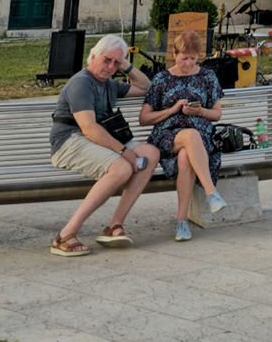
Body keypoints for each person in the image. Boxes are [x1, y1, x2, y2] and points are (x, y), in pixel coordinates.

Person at [48, 35, 160, 257]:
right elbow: (89, 128)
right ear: (93, 56)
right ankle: (65, 235)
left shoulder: (109, 84)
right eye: (107, 60)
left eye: (115, 63)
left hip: (98, 139)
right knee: (122, 167)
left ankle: (113, 226)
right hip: (69, 141)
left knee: (150, 154)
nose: (110, 67)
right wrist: (124, 152)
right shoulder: (82, 82)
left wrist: (125, 64)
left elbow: (146, 87)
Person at [139, 30, 227, 242]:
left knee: (186, 156)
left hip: (199, 139)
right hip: (167, 135)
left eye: (193, 59)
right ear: (174, 54)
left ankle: (182, 222)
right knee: (190, 136)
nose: (188, 63)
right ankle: (211, 191)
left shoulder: (207, 77)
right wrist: (173, 110)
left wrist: (199, 111)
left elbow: (216, 114)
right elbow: (144, 118)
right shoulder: (162, 79)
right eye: (184, 58)